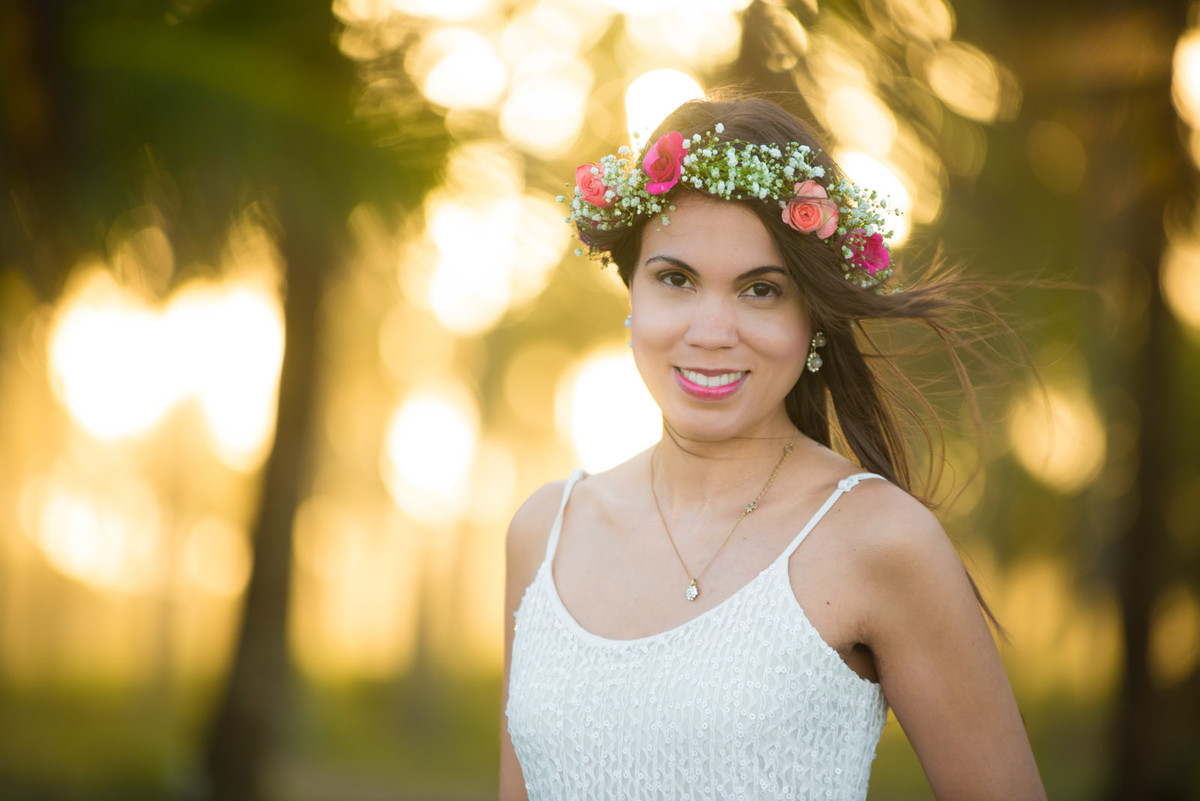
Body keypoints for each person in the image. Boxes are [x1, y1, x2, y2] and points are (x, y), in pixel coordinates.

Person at [499, 94, 1047, 801]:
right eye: (675, 279)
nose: (711, 331)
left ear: (811, 317)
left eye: (760, 290)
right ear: (631, 289)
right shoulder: (544, 533)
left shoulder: (883, 541)